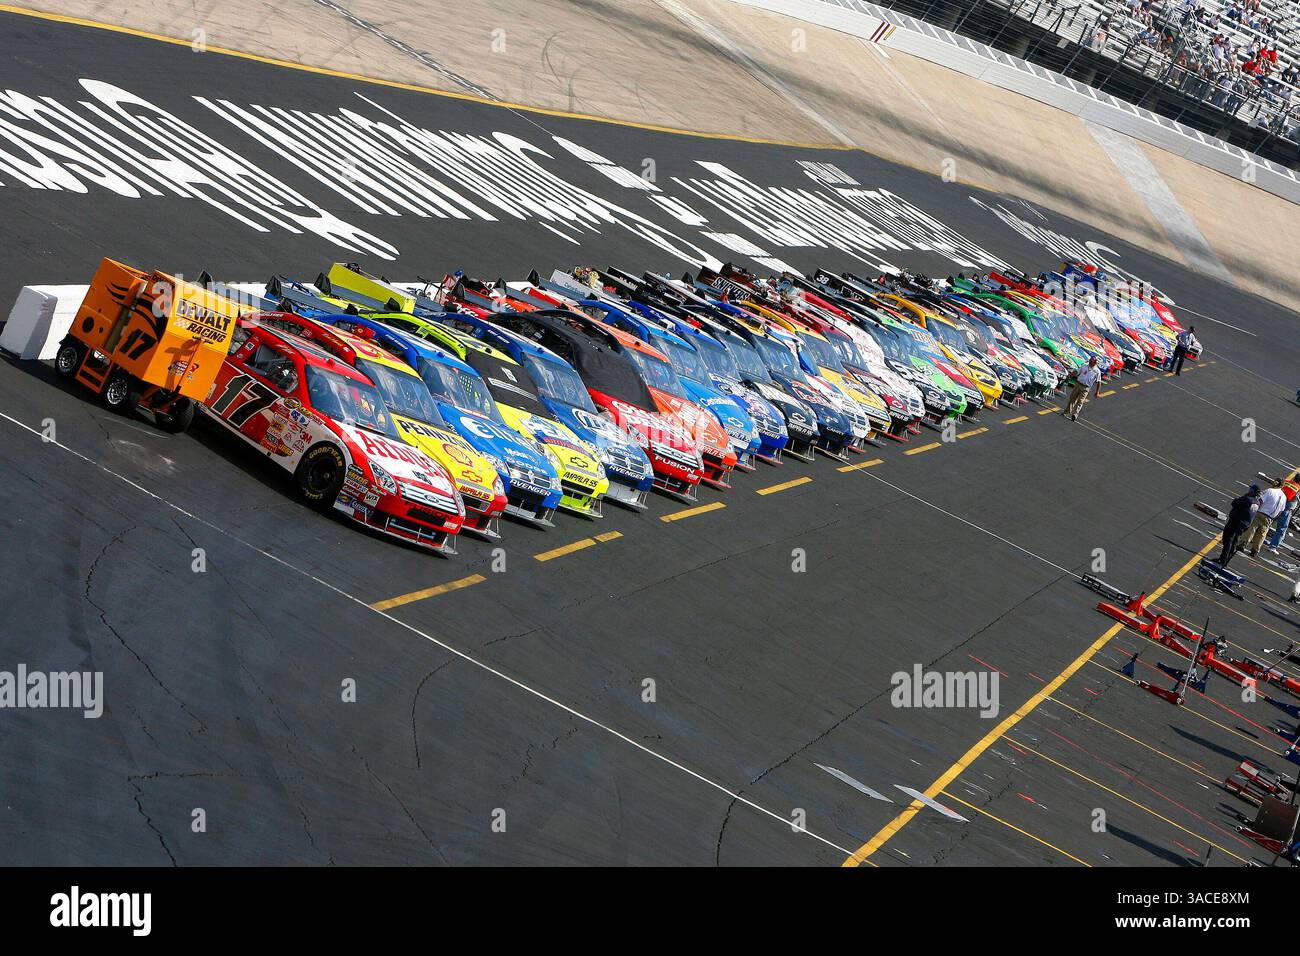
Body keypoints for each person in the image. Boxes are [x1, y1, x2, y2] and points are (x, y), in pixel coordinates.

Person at [1219, 484, 1261, 568]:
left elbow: (1234, 503)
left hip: (1236, 522)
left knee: (1228, 539)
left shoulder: (1247, 499)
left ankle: (1223, 559)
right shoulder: (1257, 502)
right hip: (1244, 524)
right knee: (1234, 541)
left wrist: (1244, 496)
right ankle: (1227, 559)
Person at [1244, 479, 1288, 556]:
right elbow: (1281, 511)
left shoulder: (1270, 490)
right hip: (1270, 518)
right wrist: (1273, 519)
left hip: (1260, 513)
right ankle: (1255, 550)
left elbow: (1260, 501)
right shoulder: (1284, 497)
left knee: (1251, 529)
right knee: (1261, 535)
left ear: (1276, 483)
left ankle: (1242, 544)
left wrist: (1253, 510)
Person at [1061, 356, 1103, 421]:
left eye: (1092, 360)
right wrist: (1071, 375)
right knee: (1072, 398)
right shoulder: (1084, 366)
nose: (1090, 361)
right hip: (1078, 384)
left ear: (1095, 362)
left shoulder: (1097, 371)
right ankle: (1066, 412)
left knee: (1080, 401)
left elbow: (1099, 382)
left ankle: (1075, 414)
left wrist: (1097, 392)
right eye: (1090, 360)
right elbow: (1077, 372)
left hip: (1086, 388)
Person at [1267, 475, 1299, 551]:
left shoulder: (1286, 482)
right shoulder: (1298, 488)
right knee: (1281, 529)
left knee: (1267, 522)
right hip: (1286, 509)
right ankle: (1273, 547)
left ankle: (1254, 537)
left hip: (1276, 505)